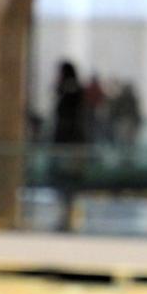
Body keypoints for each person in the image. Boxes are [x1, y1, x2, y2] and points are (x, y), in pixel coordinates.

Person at [49, 61, 89, 232]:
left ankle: (68, 213)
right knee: (64, 178)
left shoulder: (71, 92)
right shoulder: (67, 91)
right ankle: (65, 212)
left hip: (70, 143)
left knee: (68, 178)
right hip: (66, 142)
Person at [110, 80, 143, 167]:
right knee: (126, 143)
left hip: (125, 122)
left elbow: (115, 111)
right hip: (126, 122)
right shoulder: (130, 98)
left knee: (126, 143)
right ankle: (126, 160)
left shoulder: (125, 98)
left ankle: (126, 160)